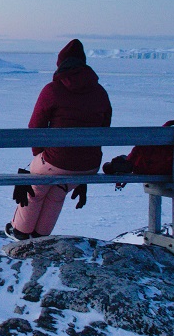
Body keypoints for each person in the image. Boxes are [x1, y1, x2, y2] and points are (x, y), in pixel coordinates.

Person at [7, 39, 112, 240]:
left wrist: (40, 156)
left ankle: (20, 231)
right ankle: (41, 235)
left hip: (57, 160)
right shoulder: (100, 92)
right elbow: (105, 129)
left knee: (35, 186)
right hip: (89, 165)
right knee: (57, 192)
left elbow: (35, 127)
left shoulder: (52, 90)